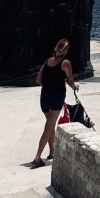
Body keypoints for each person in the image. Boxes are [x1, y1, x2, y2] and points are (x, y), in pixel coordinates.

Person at [31, 38, 78, 168]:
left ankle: (52, 152)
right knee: (48, 127)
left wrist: (49, 84)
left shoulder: (48, 61)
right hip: (56, 97)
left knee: (50, 124)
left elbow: (38, 80)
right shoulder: (65, 63)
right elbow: (70, 80)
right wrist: (75, 87)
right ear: (66, 51)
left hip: (44, 97)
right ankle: (37, 157)